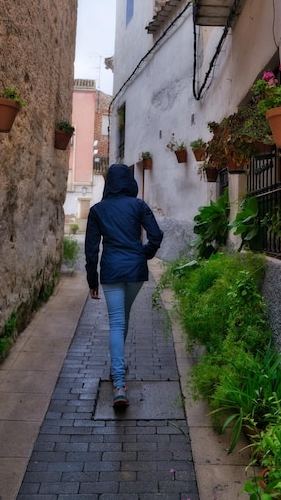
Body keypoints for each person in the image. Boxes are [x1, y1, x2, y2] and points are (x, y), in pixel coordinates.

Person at [85, 164, 164, 408]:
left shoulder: (98, 210)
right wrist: (144, 254)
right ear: (129, 182)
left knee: (118, 321)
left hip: (111, 270)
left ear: (109, 183)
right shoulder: (138, 205)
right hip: (135, 271)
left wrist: (92, 279)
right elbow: (156, 236)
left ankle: (119, 383)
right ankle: (118, 367)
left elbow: (91, 250)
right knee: (122, 318)